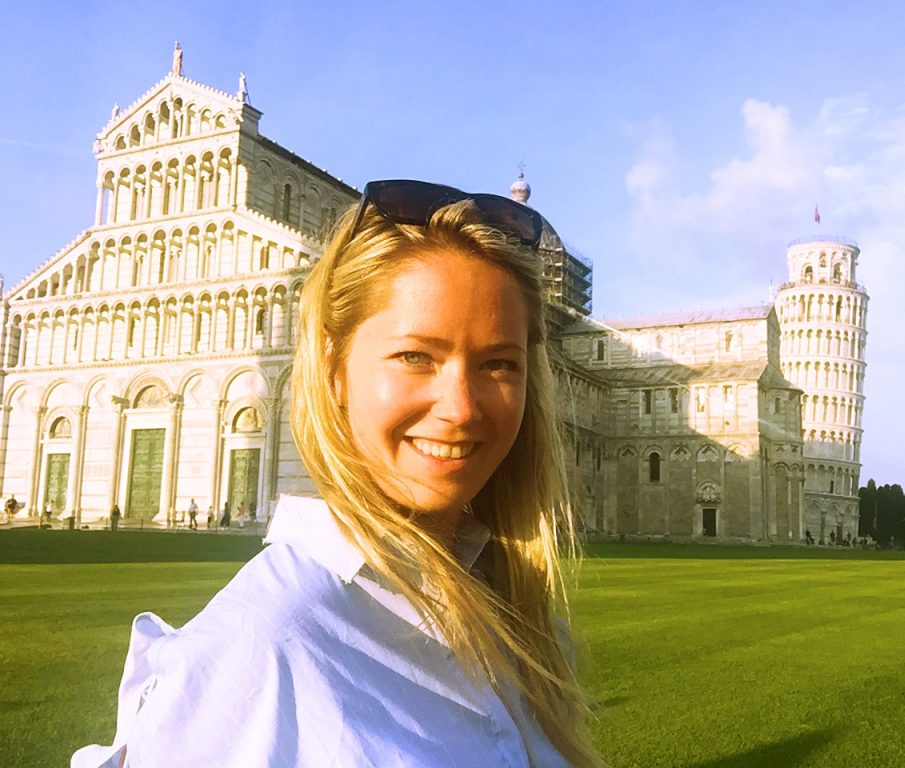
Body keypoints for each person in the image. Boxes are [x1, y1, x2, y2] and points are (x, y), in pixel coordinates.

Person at [72, 179, 601, 767]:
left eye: (498, 363)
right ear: (333, 369)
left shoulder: (521, 622)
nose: (462, 408)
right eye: (415, 356)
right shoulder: (260, 646)